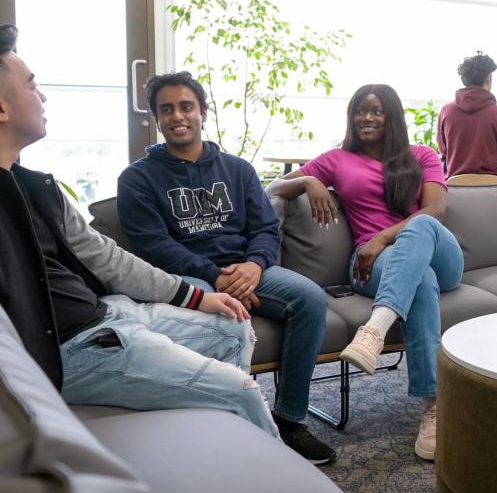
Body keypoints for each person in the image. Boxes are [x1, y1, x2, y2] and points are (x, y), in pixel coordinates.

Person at [0, 25, 281, 440]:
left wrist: (200, 296)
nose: (43, 97)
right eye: (32, 86)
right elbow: (155, 246)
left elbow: (107, 258)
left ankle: (216, 438)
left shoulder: (37, 187)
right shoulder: (138, 178)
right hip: (73, 347)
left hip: (111, 312)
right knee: (241, 392)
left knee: (232, 323)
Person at [115, 72, 335, 464]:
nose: (177, 116)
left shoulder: (237, 169)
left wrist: (253, 265)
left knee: (311, 298)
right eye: (166, 109)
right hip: (185, 275)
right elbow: (155, 246)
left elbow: (265, 227)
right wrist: (218, 278)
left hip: (247, 268)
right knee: (220, 316)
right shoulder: (137, 179)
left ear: (202, 111)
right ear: (156, 117)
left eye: (186, 106)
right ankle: (219, 422)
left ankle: (288, 419)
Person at [267, 84, 463, 461]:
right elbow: (274, 187)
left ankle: (374, 330)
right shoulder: (338, 160)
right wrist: (308, 180)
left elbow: (435, 208)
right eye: (359, 110)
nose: (366, 118)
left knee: (420, 227)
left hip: (434, 251)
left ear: (391, 115)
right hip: (372, 265)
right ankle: (433, 408)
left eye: (375, 111)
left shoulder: (421, 155)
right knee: (420, 281)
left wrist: (382, 237)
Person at [437, 51, 497, 181]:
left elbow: (444, 153)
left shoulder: (446, 112)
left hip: (455, 187)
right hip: (492, 189)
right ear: (488, 79)